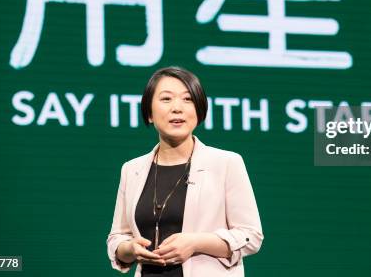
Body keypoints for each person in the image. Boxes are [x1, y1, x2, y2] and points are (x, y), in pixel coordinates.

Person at [107, 66, 263, 277]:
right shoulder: (132, 169)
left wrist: (195, 242)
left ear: (199, 111)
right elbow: (118, 238)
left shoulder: (226, 163)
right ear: (149, 113)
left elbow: (250, 236)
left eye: (187, 99)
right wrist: (130, 249)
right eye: (166, 99)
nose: (177, 108)